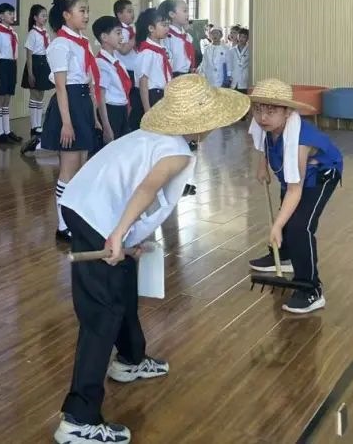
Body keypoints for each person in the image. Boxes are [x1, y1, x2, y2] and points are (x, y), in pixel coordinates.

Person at [54, 75, 250, 444]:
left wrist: (129, 239)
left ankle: (130, 359)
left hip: (86, 204)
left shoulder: (156, 138)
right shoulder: (174, 152)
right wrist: (117, 235)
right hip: (96, 215)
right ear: (202, 122)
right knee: (102, 313)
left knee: (124, 280)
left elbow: (132, 185)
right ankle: (78, 419)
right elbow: (146, 188)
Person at [248, 79, 342, 314]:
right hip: (293, 175)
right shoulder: (267, 125)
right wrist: (263, 165)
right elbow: (263, 141)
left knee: (299, 226)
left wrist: (277, 226)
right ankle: (285, 255)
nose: (262, 117)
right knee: (287, 217)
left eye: (271, 111)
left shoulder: (299, 141)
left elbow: (295, 190)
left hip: (320, 175)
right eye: (258, 109)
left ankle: (311, 289)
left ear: (288, 112)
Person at [40, 0, 101, 242]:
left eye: (87, 10)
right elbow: (61, 87)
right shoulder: (60, 44)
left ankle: (75, 219)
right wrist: (66, 123)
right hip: (69, 105)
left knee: (80, 167)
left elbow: (89, 81)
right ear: (66, 15)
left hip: (82, 103)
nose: (86, 15)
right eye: (81, 10)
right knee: (68, 169)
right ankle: (63, 224)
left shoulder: (83, 42)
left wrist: (94, 115)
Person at [128, 8, 171, 132]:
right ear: (151, 28)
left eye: (168, 25)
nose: (167, 28)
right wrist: (148, 112)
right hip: (152, 97)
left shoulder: (159, 50)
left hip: (161, 95)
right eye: (163, 25)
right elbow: (143, 83)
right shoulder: (147, 53)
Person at [92, 16, 130, 147]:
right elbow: (100, 97)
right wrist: (106, 126)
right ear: (104, 37)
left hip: (122, 110)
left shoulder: (117, 62)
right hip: (111, 112)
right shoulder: (101, 63)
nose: (122, 37)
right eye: (118, 33)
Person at [20, 3, 52, 143]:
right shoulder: (32, 34)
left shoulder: (45, 33)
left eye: (46, 16)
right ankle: (34, 126)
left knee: (40, 95)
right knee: (34, 95)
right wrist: (30, 72)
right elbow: (29, 55)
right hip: (35, 64)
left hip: (44, 63)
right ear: (35, 18)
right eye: (42, 16)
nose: (45, 18)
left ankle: (39, 124)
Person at [0, 3, 21, 144]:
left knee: (7, 100)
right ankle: (0, 134)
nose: (13, 16)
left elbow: (15, 54)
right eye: (10, 13)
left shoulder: (13, 33)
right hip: (1, 66)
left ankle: (7, 131)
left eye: (13, 13)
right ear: (1, 16)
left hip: (11, 66)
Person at [158, 0, 195, 77]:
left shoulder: (187, 36)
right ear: (172, 14)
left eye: (188, 11)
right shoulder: (167, 37)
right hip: (174, 76)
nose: (188, 14)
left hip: (188, 74)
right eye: (185, 11)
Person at [113, 0, 138, 105]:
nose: (132, 14)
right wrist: (137, 36)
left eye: (132, 11)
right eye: (129, 11)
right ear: (119, 14)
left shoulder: (131, 29)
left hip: (135, 71)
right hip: (126, 71)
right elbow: (123, 50)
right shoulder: (119, 31)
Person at [230, 28, 251, 92]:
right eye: (240, 36)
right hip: (233, 80)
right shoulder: (232, 50)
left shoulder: (250, 50)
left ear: (247, 39)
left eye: (244, 37)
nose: (241, 38)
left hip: (245, 81)